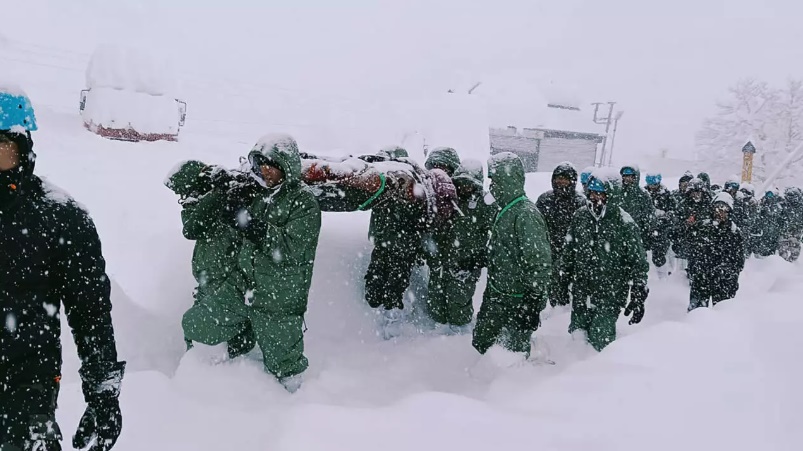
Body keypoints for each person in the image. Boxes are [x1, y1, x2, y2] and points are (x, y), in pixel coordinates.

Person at [0, 88, 125, 450]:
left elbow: (90, 311)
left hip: (26, 386)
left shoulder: (60, 217)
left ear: (24, 149)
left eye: (1, 147)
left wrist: (102, 391)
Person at [181, 134, 322, 392]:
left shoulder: (303, 202)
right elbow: (199, 227)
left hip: (279, 296)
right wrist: (226, 196)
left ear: (287, 167)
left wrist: (251, 225)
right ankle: (218, 360)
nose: (265, 171)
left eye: (272, 165)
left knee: (286, 367)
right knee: (197, 324)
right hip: (242, 285)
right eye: (261, 165)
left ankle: (298, 407)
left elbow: (291, 248)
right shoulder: (256, 191)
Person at [165, 161, 256, 358]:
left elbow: (194, 229)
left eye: (185, 194)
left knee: (196, 325)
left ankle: (238, 361)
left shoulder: (225, 207)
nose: (183, 200)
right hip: (213, 288)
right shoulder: (205, 211)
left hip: (233, 290)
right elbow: (194, 226)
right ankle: (203, 367)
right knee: (194, 332)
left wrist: (219, 193)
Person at [472, 152, 551, 357]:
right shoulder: (505, 209)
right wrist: (481, 257)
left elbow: (539, 262)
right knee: (483, 343)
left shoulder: (525, 214)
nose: (492, 186)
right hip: (497, 294)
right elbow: (505, 248)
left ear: (509, 180)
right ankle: (480, 376)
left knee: (511, 355)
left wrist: (532, 302)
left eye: (495, 181)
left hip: (517, 301)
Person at [559, 173, 649, 351]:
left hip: (610, 293)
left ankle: (602, 366)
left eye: (600, 193)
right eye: (592, 192)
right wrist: (563, 278)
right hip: (582, 290)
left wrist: (638, 291)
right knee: (578, 337)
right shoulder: (581, 216)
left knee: (600, 340)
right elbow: (569, 250)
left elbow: (637, 260)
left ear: (611, 195)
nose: (594, 197)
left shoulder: (624, 223)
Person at [426, 160, 495, 331]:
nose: (464, 187)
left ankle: (459, 334)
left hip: (466, 265)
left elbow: (496, 234)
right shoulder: (446, 198)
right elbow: (432, 226)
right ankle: (435, 334)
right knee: (435, 301)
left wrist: (480, 257)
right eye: (461, 183)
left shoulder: (485, 204)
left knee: (459, 301)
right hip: (441, 261)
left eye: (469, 184)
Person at [536, 163, 585, 306]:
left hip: (570, 253)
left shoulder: (580, 202)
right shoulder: (545, 199)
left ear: (572, 181)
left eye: (565, 178)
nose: (561, 182)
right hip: (546, 250)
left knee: (563, 292)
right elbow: (536, 225)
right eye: (558, 178)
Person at [687, 193, 745, 310]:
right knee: (697, 312)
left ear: (729, 212)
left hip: (724, 281)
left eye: (723, 209)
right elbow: (692, 248)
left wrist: (729, 275)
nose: (719, 213)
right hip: (701, 277)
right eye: (717, 208)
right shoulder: (702, 227)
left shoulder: (734, 233)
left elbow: (738, 260)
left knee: (723, 312)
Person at [619, 166, 658, 265]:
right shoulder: (617, 192)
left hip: (637, 235)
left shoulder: (643, 195)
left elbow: (649, 216)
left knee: (636, 262)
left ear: (635, 177)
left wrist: (647, 234)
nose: (627, 179)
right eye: (625, 176)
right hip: (619, 234)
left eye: (630, 176)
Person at [644, 172, 677, 271]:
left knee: (660, 251)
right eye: (650, 184)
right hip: (646, 227)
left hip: (662, 228)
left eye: (654, 184)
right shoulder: (644, 193)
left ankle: (662, 270)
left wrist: (665, 216)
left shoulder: (666, 195)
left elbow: (673, 211)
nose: (652, 187)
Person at [753, 189, 784, 258]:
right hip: (765, 231)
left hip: (772, 231)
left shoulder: (779, 206)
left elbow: (781, 219)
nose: (769, 197)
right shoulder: (762, 203)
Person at [779, 187, 803, 262]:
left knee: (789, 249)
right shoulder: (783, 205)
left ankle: (789, 264)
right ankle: (787, 263)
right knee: (787, 249)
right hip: (789, 231)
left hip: (792, 231)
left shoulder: (784, 205)